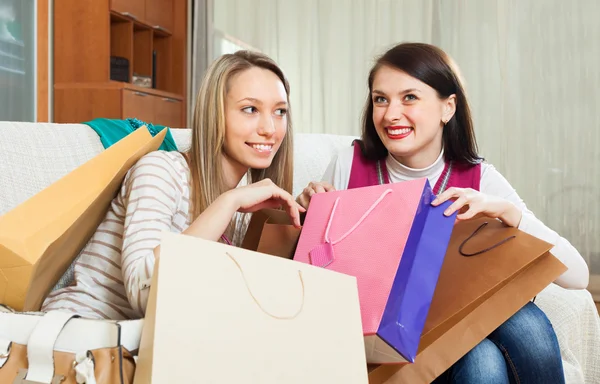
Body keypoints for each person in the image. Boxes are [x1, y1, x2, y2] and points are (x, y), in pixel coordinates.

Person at [297, 42, 589, 383]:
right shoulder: (350, 164)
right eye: (381, 99)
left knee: (512, 339)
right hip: (383, 338)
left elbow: (578, 276)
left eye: (409, 97)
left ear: (447, 107)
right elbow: (316, 265)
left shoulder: (479, 179)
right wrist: (309, 209)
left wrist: (509, 212)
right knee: (493, 353)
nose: (391, 114)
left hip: (455, 337)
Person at [42, 50, 304, 320]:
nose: (270, 129)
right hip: (85, 334)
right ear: (214, 114)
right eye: (250, 109)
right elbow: (146, 295)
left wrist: (308, 216)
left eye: (279, 112)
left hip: (157, 342)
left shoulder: (247, 205)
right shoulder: (160, 171)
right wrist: (227, 203)